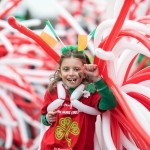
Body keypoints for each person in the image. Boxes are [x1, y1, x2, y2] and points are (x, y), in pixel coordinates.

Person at [40, 45, 117, 150]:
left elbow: (110, 103)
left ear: (84, 73)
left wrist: (97, 78)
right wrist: (47, 119)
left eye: (76, 69)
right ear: (60, 72)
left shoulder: (91, 92)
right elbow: (43, 117)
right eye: (66, 69)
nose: (71, 73)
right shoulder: (53, 91)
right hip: (50, 146)